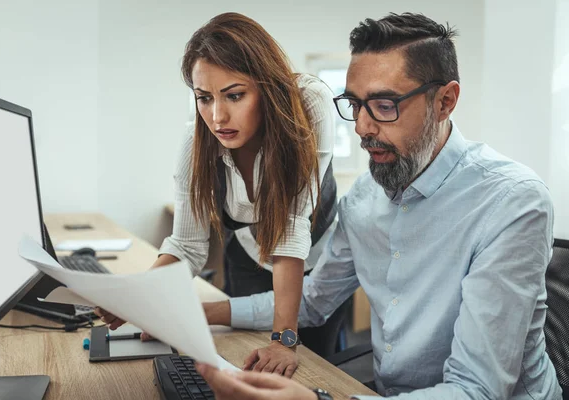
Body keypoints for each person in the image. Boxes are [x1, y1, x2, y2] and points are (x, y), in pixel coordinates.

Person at [198, 12, 562, 399]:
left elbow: (477, 389)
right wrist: (208, 313)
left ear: (445, 101)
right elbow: (313, 301)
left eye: (384, 105)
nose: (361, 127)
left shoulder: (511, 203)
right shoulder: (363, 199)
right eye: (354, 104)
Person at [95, 12, 340, 377]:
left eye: (234, 95)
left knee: (309, 369)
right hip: (247, 251)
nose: (217, 116)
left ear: (267, 87)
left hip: (313, 257)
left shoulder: (308, 104)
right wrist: (137, 296)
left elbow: (290, 226)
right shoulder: (196, 143)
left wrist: (285, 338)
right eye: (203, 98)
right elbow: (188, 245)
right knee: (242, 357)